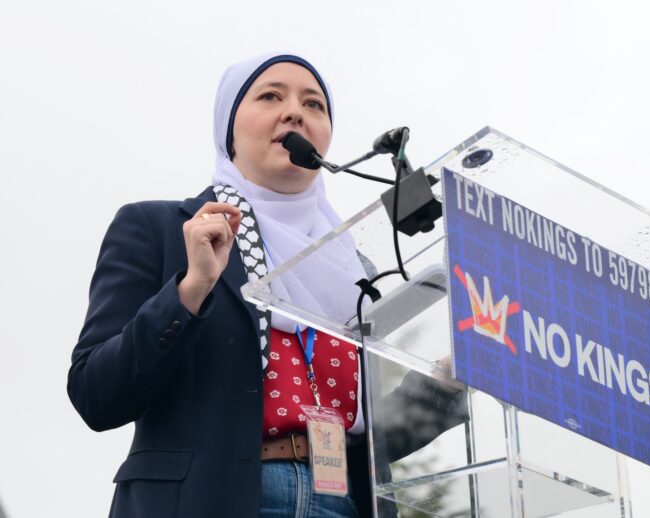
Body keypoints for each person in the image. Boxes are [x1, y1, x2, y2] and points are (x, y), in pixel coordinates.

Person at [68, 52, 466, 518]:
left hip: (341, 502)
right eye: (271, 96)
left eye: (314, 104)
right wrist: (190, 289)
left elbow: (366, 434)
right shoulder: (161, 229)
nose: (296, 111)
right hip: (208, 501)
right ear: (229, 129)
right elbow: (96, 393)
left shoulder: (354, 267)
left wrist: (441, 386)